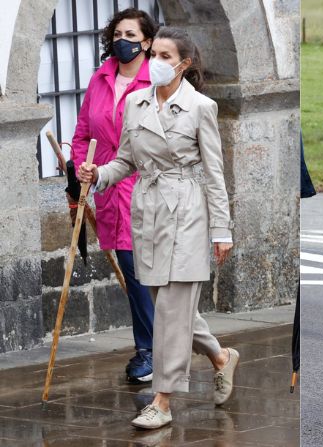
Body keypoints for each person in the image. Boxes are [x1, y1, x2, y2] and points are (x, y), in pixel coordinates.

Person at [78, 27, 239, 430]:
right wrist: (98, 174)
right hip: (147, 210)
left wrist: (221, 230)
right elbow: (126, 161)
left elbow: (215, 175)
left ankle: (163, 401)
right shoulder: (135, 102)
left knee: (169, 311)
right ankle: (221, 357)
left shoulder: (201, 107)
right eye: (156, 53)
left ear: (184, 65)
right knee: (169, 307)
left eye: (168, 56)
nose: (157, 62)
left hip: (186, 209)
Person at [71, 8, 158, 384]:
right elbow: (82, 133)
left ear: (147, 41)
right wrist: (82, 169)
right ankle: (154, 347)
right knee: (133, 271)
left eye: (131, 34)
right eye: (118, 33)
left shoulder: (155, 81)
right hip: (107, 188)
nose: (123, 40)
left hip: (145, 189)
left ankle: (151, 350)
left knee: (140, 273)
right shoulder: (100, 78)